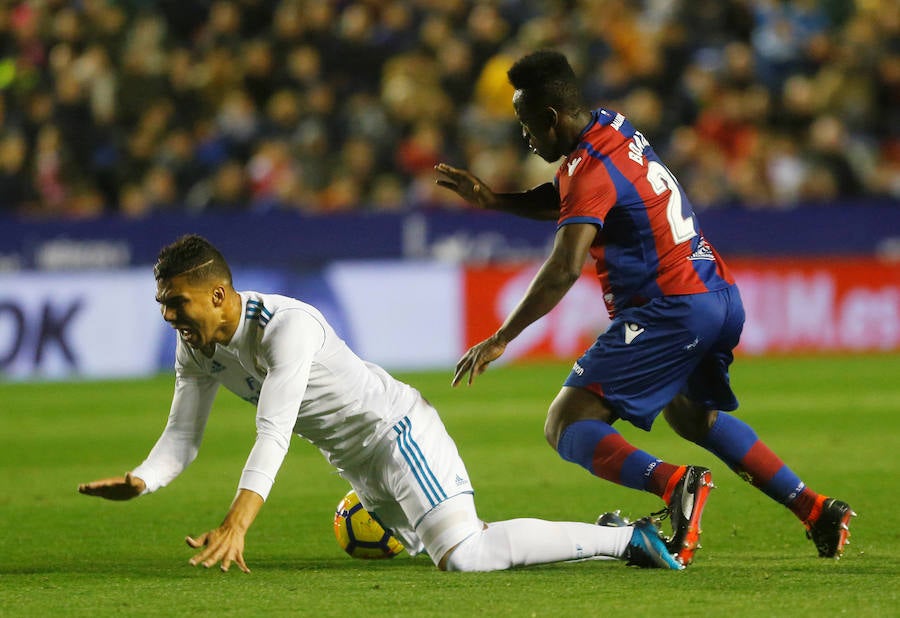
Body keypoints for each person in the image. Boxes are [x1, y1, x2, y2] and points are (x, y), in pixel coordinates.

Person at [434, 50, 854, 564]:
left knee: (566, 422)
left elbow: (566, 266)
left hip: (669, 307)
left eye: (526, 124)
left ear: (551, 117)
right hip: (715, 294)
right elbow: (576, 198)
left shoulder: (588, 169)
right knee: (693, 417)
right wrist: (496, 201)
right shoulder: (613, 128)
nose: (524, 137)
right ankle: (816, 509)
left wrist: (502, 335)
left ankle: (676, 485)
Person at [78, 234, 683, 573]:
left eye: (176, 303)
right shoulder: (199, 348)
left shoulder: (287, 327)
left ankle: (626, 540)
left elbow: (275, 430)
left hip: (396, 433)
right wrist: (143, 480)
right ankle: (591, 531)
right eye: (162, 303)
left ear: (217, 294)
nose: (168, 316)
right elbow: (182, 437)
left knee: (464, 555)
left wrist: (238, 523)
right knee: (443, 545)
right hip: (356, 463)